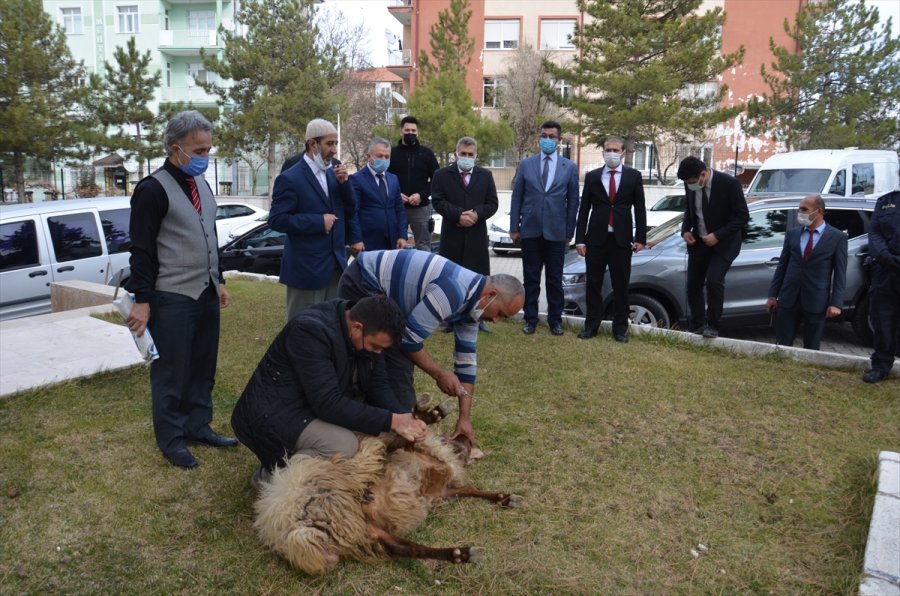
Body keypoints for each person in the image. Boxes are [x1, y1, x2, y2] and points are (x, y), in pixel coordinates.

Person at [125, 110, 237, 469]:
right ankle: (172, 439)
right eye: (199, 150)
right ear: (176, 149)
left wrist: (218, 279)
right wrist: (142, 301)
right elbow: (141, 250)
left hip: (203, 291)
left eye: (208, 149)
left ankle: (198, 425)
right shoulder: (152, 190)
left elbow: (210, 234)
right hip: (170, 295)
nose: (205, 157)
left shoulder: (201, 185)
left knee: (203, 365)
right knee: (172, 371)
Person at [337, 249, 525, 445]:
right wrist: (439, 374)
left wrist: (464, 418)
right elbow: (409, 341)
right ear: (490, 295)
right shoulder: (453, 291)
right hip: (364, 281)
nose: (496, 321)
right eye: (500, 314)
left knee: (393, 377)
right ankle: (351, 426)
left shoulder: (474, 306)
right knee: (368, 358)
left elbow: (466, 364)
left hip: (390, 296)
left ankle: (379, 422)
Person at [231, 297, 428, 483]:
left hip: (310, 403)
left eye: (382, 349)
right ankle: (274, 477)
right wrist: (392, 420)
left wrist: (403, 417)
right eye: (375, 346)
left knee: (373, 431)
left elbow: (379, 386)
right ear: (357, 327)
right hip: (272, 413)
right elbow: (327, 404)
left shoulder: (365, 331)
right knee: (342, 445)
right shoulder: (309, 331)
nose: (378, 353)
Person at [268, 118, 363, 322]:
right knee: (304, 328)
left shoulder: (335, 171)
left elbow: (352, 209)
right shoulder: (290, 178)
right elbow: (277, 220)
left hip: (336, 266)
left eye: (336, 143)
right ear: (313, 144)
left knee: (332, 326)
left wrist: (346, 184)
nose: (334, 150)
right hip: (306, 269)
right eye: (329, 144)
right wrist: (318, 222)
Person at [509, 121, 580, 336]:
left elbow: (573, 201)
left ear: (559, 140)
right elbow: (517, 197)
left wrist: (570, 231)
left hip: (557, 232)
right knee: (530, 277)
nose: (546, 140)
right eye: (543, 136)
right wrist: (514, 227)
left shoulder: (569, 167)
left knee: (554, 278)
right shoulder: (527, 164)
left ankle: (555, 320)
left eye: (551, 136)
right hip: (530, 230)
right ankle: (530, 318)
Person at [575, 136, 647, 343]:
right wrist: (580, 239)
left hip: (622, 241)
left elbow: (640, 209)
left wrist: (640, 238)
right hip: (596, 240)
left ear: (623, 153)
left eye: (616, 150)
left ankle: (620, 329)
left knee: (621, 285)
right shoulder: (593, 177)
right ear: (603, 152)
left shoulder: (634, 176)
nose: (612, 154)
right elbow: (584, 210)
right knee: (593, 285)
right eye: (608, 150)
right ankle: (591, 326)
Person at [677, 156, 750, 338]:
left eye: (693, 182)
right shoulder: (690, 184)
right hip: (699, 242)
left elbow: (742, 217)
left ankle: (713, 326)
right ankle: (697, 325)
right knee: (693, 285)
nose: (690, 185)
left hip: (724, 244)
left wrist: (718, 236)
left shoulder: (729, 184)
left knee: (714, 281)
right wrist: (685, 230)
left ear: (703, 174)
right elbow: (690, 210)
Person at [431, 136, 499, 332]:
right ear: (456, 154)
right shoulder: (441, 175)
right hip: (452, 235)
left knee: (478, 279)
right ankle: (451, 319)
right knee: (450, 278)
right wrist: (458, 215)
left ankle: (478, 318)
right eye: (463, 154)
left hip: (476, 236)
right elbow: (437, 200)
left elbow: (492, 203)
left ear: (476, 156)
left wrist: (476, 214)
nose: (467, 157)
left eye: (470, 154)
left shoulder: (485, 176)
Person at [766, 195, 848, 350]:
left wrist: (836, 303)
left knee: (811, 347)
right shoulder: (793, 234)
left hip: (816, 299)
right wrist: (772, 295)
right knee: (782, 345)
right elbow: (782, 266)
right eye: (800, 208)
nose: (800, 212)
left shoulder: (837, 237)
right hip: (789, 298)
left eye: (804, 209)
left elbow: (840, 273)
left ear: (818, 212)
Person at [863, 187, 900, 383]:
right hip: (886, 270)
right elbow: (875, 232)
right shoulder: (886, 201)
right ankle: (881, 366)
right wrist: (885, 256)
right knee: (883, 320)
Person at [388, 116, 440, 251]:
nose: (410, 133)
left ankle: (425, 272)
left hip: (421, 208)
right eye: (407, 130)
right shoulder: (392, 154)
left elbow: (437, 180)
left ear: (418, 132)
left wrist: (422, 195)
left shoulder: (427, 154)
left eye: (413, 130)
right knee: (395, 244)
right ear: (401, 131)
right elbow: (384, 179)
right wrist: (396, 194)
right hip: (397, 207)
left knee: (424, 246)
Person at [348, 137, 407, 251]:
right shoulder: (356, 179)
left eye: (387, 157)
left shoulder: (393, 179)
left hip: (392, 241)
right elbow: (353, 212)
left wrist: (402, 235)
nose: (384, 160)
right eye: (379, 156)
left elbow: (399, 209)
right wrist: (356, 239)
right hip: (368, 242)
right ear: (369, 157)